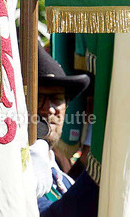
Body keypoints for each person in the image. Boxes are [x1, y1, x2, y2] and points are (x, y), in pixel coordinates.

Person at [30, 43, 92, 214]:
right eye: (39, 98)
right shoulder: (16, 169)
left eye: (56, 99)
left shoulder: (64, 179)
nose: (48, 109)